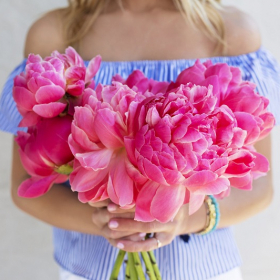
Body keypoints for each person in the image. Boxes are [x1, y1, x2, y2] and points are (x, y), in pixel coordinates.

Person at [0, 0, 279, 279]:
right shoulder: (56, 34)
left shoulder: (230, 33)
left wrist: (186, 218)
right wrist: (107, 222)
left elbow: (261, 184)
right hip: (88, 271)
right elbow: (25, 184)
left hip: (202, 270)